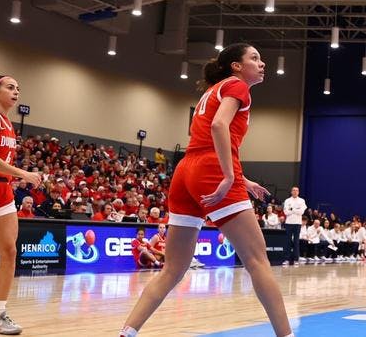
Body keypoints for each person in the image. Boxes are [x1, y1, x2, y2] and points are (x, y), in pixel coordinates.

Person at [119, 43, 293, 337]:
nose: (261, 63)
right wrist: (228, 175)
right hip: (210, 169)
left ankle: (127, 333)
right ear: (236, 66)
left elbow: (201, 141)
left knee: (172, 269)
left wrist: (242, 178)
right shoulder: (237, 85)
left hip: (186, 170)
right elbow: (218, 126)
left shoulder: (212, 91)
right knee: (257, 260)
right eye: (255, 58)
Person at [0, 75, 43, 335]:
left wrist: (14, 176)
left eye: (18, 88)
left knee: (9, 252)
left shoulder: (8, 122)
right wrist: (23, 174)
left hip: (2, 190)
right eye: (10, 87)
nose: (16, 91)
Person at [282, 186, 306, 266]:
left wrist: (292, 209)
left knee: (296, 242)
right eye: (293, 190)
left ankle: (296, 259)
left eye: (296, 190)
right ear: (291, 192)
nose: (295, 192)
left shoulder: (302, 201)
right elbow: (286, 212)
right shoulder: (287, 200)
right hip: (288, 223)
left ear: (298, 192)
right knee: (287, 242)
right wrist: (296, 209)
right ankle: (286, 259)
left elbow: (301, 212)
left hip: (297, 223)